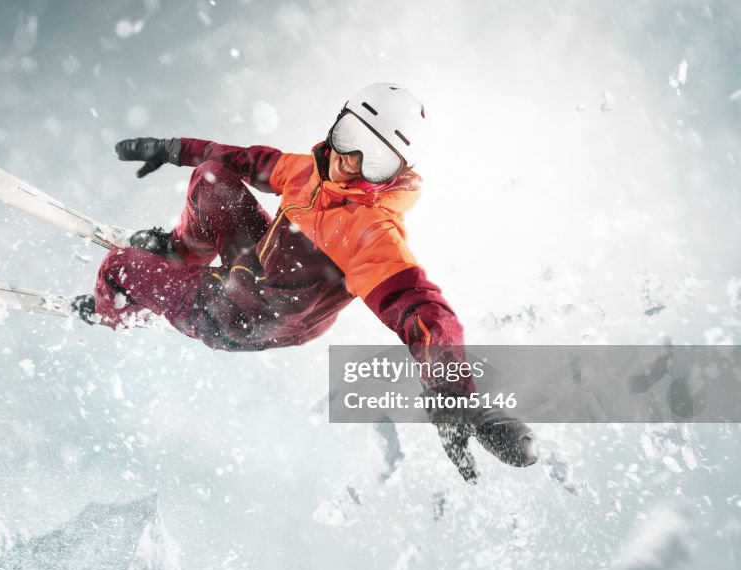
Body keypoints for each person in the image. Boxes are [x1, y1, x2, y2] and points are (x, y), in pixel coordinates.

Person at [75, 82, 536, 482]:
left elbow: (421, 309)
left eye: (374, 161)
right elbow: (247, 159)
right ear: (337, 123)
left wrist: (457, 398)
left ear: (395, 173)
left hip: (247, 317)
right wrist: (176, 149)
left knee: (119, 267)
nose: (349, 164)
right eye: (349, 138)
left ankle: (115, 309)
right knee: (213, 176)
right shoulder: (309, 171)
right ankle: (183, 255)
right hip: (253, 269)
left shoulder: (370, 231)